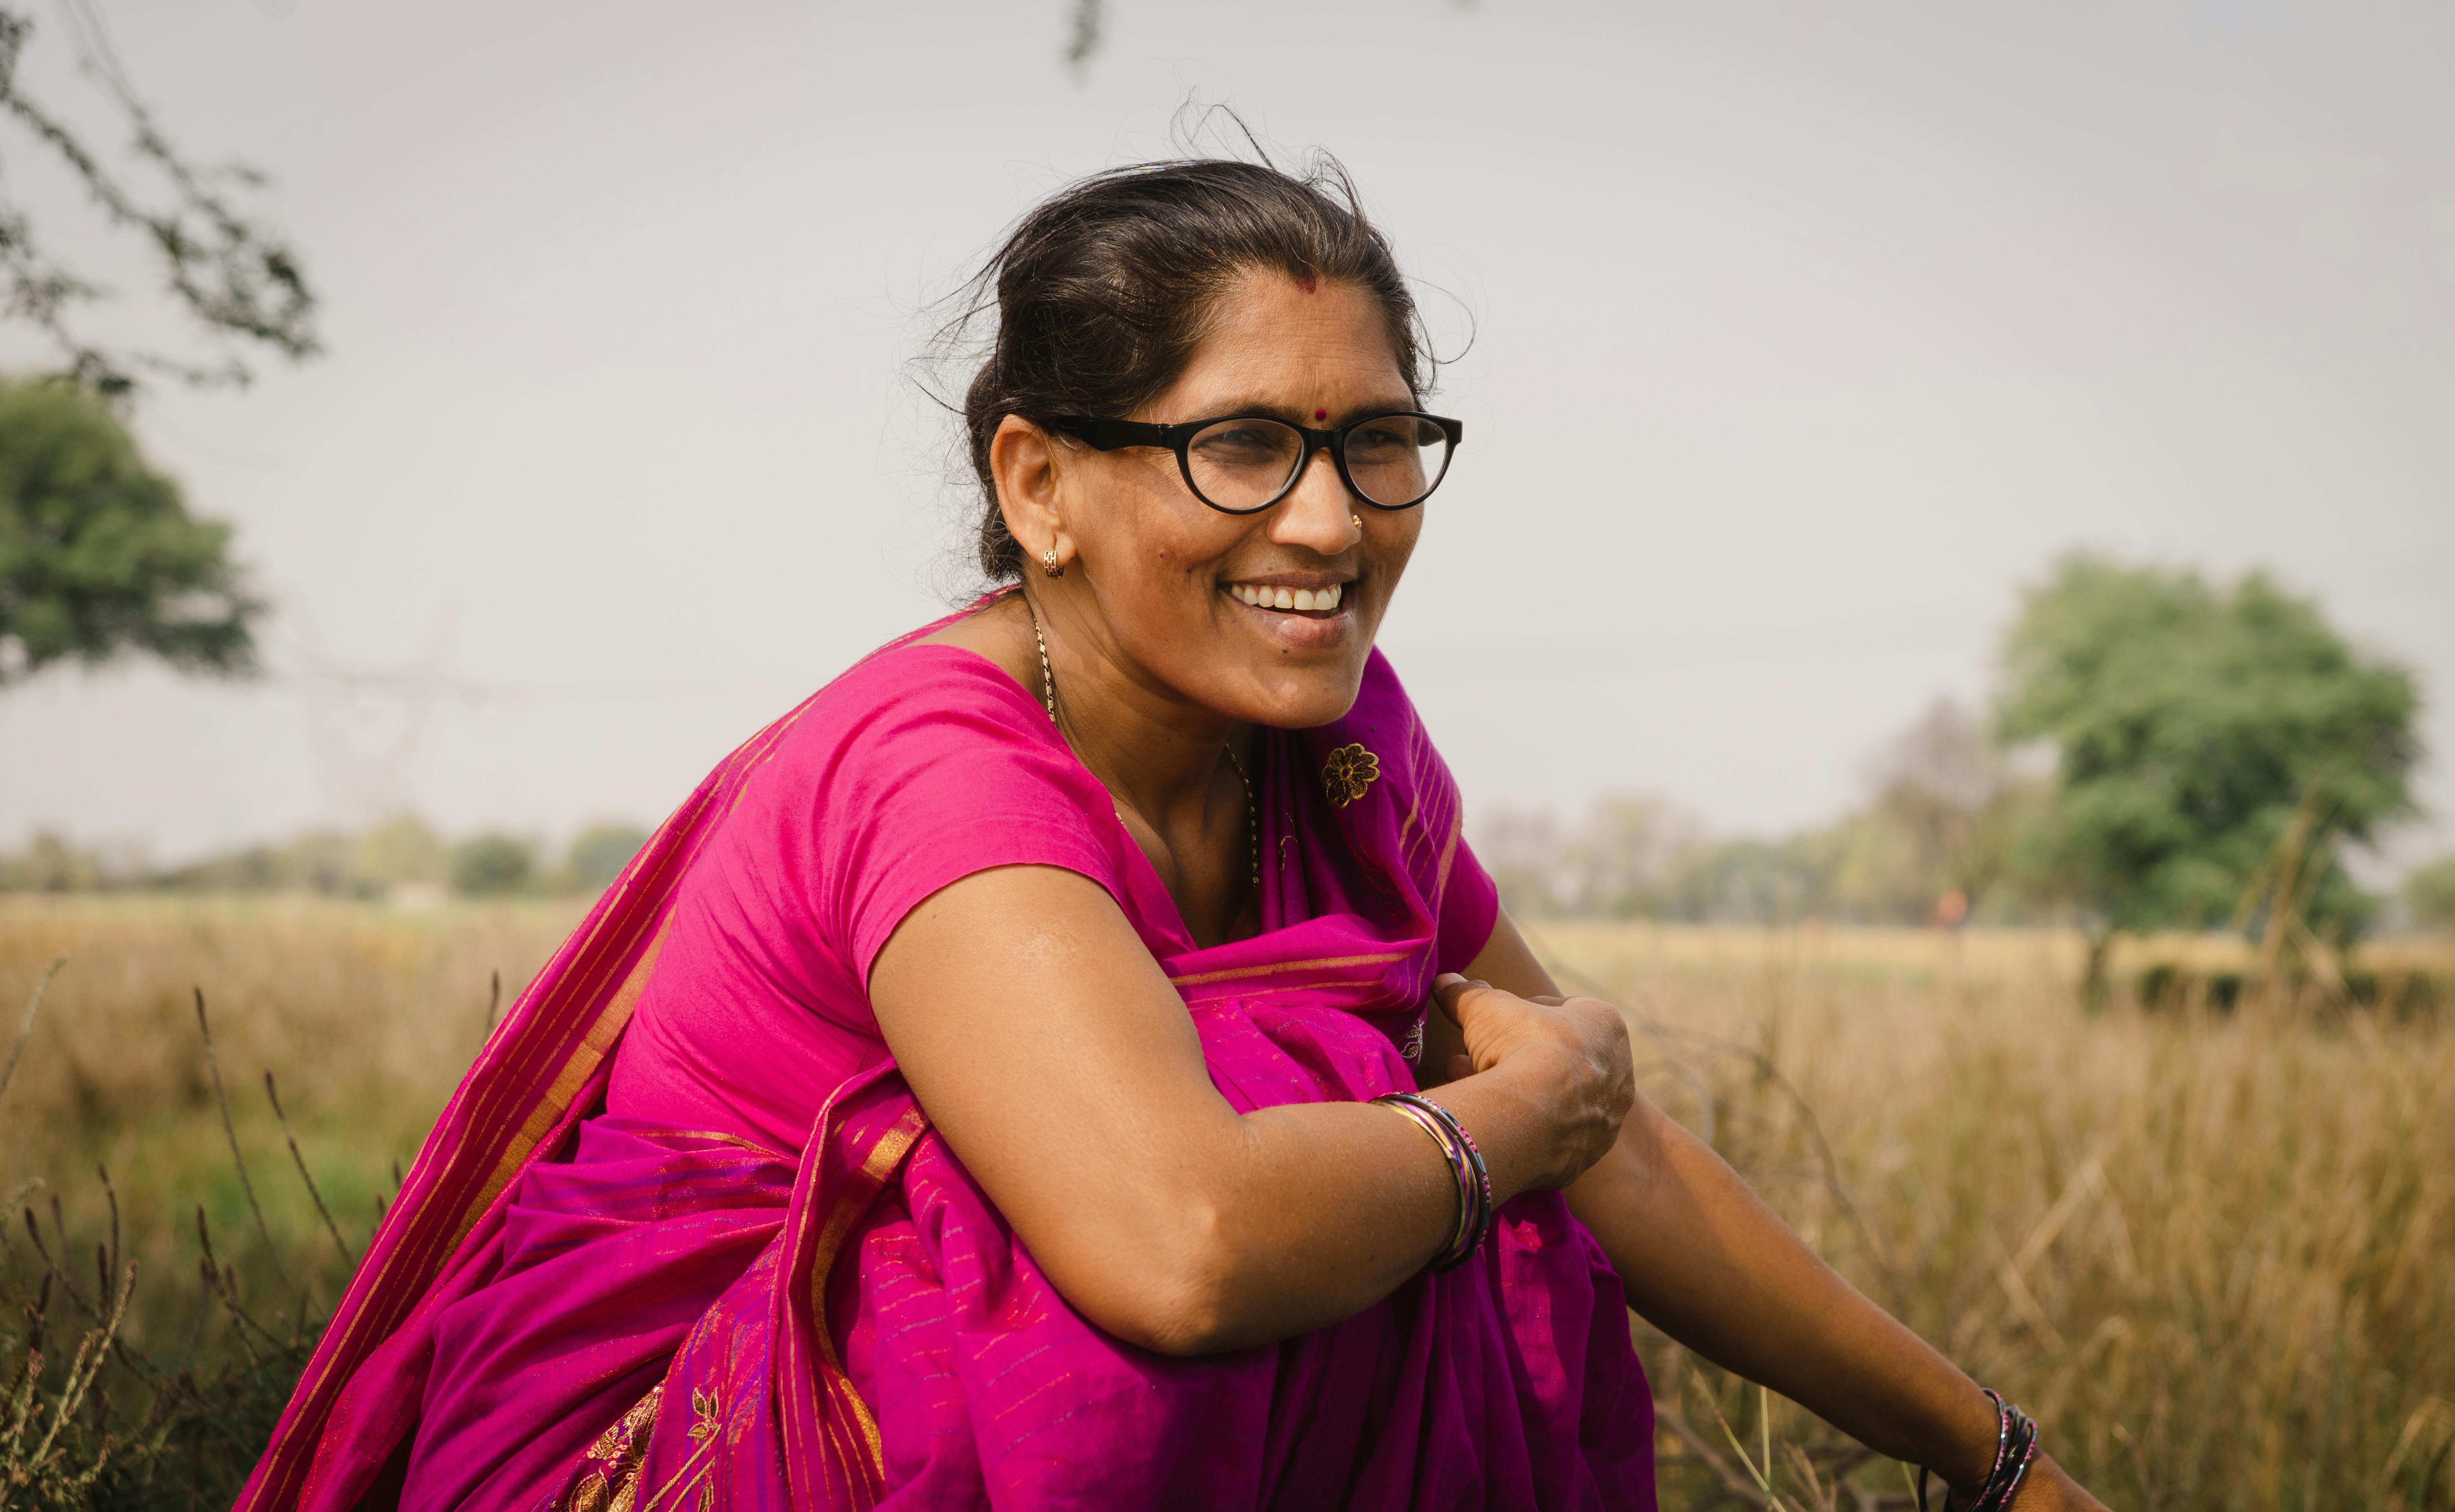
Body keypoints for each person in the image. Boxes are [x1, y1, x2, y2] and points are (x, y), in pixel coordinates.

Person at [239, 155, 2108, 1512]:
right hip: (687, 1450)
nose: (1330, 524)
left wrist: (1996, 1459)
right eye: (1245, 447)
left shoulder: (1339, 754)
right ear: (1040, 484)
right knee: (1296, 1138)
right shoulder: (943, 769)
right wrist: (1495, 1132)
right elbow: (1181, 1249)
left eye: (1379, 444)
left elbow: (1611, 1141)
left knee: (1363, 1159)